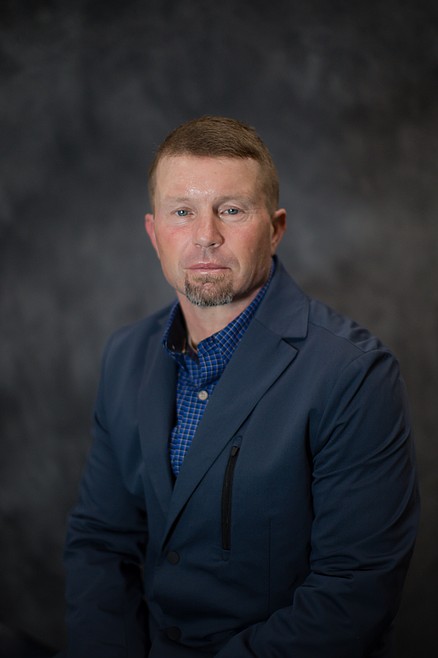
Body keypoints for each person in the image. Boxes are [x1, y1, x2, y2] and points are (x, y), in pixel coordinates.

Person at [60, 116, 419, 658]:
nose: (205, 234)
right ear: (154, 233)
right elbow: (101, 541)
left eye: (231, 209)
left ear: (275, 229)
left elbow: (353, 593)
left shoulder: (354, 374)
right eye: (182, 211)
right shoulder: (126, 355)